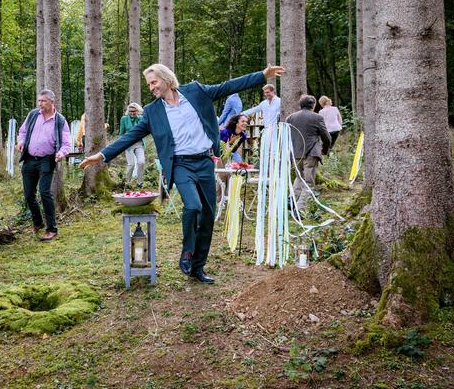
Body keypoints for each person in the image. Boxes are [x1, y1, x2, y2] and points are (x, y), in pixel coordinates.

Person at [80, 63, 284, 284]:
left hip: (205, 161)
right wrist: (101, 156)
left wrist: (262, 75)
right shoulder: (152, 111)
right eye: (149, 84)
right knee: (193, 206)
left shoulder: (196, 91)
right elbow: (130, 136)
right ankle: (187, 252)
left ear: (166, 79)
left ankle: (198, 268)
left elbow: (228, 86)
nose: (151, 88)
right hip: (180, 165)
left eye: (154, 82)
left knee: (207, 216)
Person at [16, 89, 72, 241]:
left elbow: (67, 143)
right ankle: (38, 222)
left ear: (52, 102)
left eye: (43, 101)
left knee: (45, 192)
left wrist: (61, 153)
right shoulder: (33, 115)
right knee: (28, 194)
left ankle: (52, 229)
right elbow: (22, 132)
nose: (40, 104)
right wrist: (20, 142)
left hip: (47, 160)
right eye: (39, 101)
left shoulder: (60, 120)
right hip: (29, 158)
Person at [286, 95, 331, 215]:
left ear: (300, 105)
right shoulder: (317, 118)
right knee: (309, 182)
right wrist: (325, 150)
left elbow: (287, 136)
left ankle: (292, 200)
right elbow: (327, 138)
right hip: (311, 153)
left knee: (299, 178)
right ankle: (300, 210)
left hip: (295, 154)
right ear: (314, 105)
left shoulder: (290, 118)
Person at [119, 103, 146, 187]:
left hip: (139, 143)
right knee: (131, 164)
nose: (132, 113)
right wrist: (121, 145)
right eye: (130, 111)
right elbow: (121, 133)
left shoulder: (141, 118)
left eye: (134, 111)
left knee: (141, 162)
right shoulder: (124, 119)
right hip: (128, 144)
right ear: (128, 111)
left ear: (137, 111)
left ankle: (140, 183)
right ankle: (127, 183)